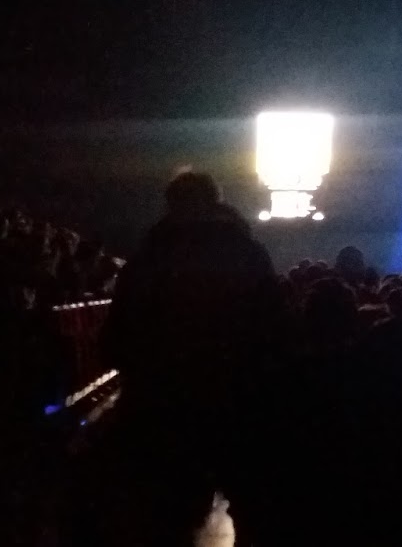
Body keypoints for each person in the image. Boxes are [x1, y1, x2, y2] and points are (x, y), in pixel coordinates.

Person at [99, 172, 284, 546]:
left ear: (171, 205)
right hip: (235, 398)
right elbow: (273, 328)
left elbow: (118, 335)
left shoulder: (149, 259)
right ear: (216, 202)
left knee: (168, 513)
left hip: (163, 400)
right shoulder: (248, 255)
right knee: (248, 508)